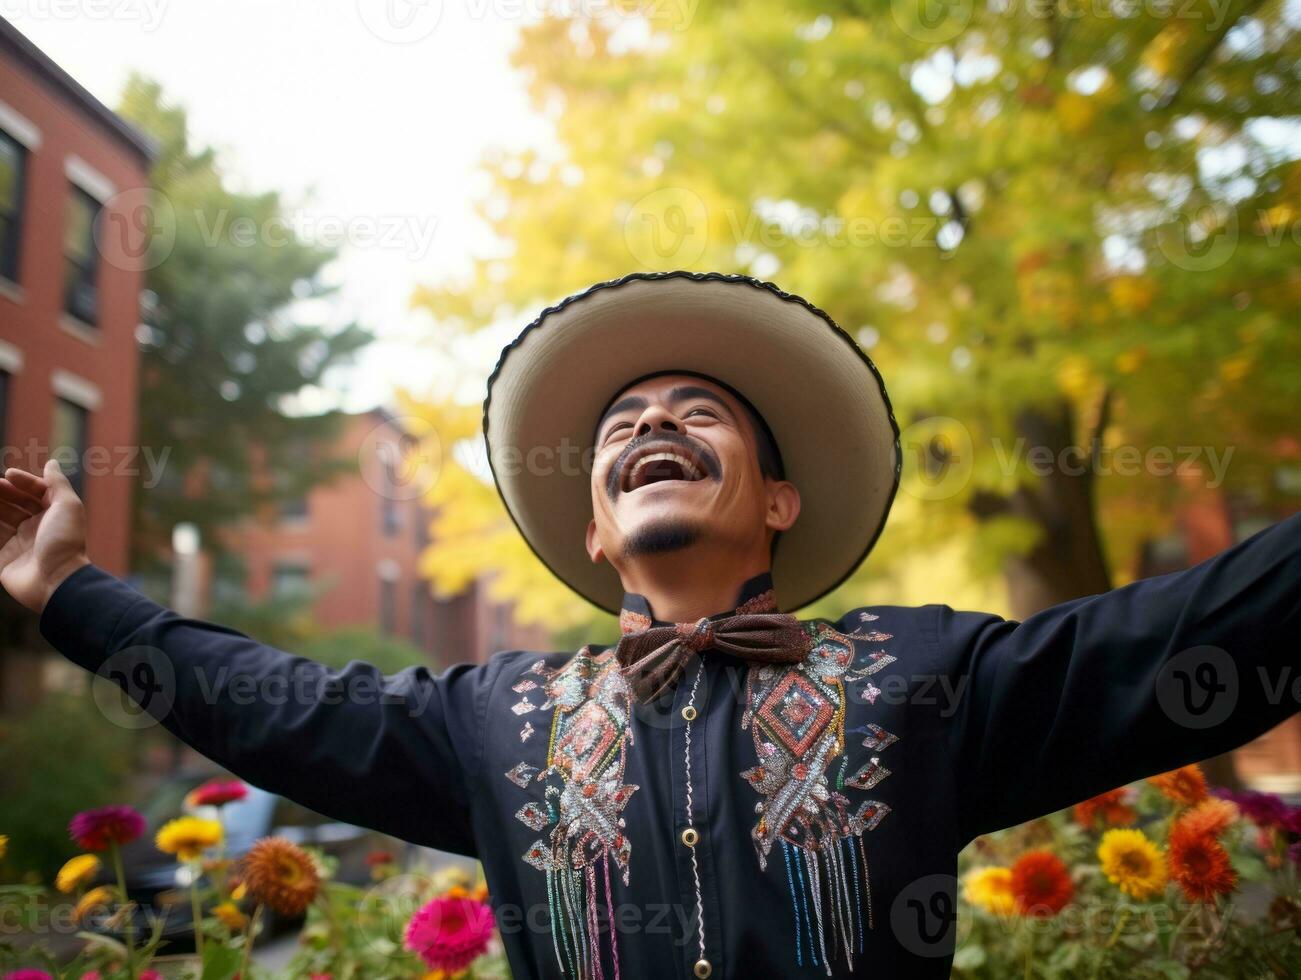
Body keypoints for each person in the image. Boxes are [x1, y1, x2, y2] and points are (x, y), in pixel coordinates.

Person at [2, 270, 1297, 980]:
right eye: (619, 425)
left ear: (778, 498)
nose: (649, 426)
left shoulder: (924, 672)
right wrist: (70, 592)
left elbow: (1191, 634)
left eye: (696, 411)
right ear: (595, 533)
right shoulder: (490, 720)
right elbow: (271, 704)